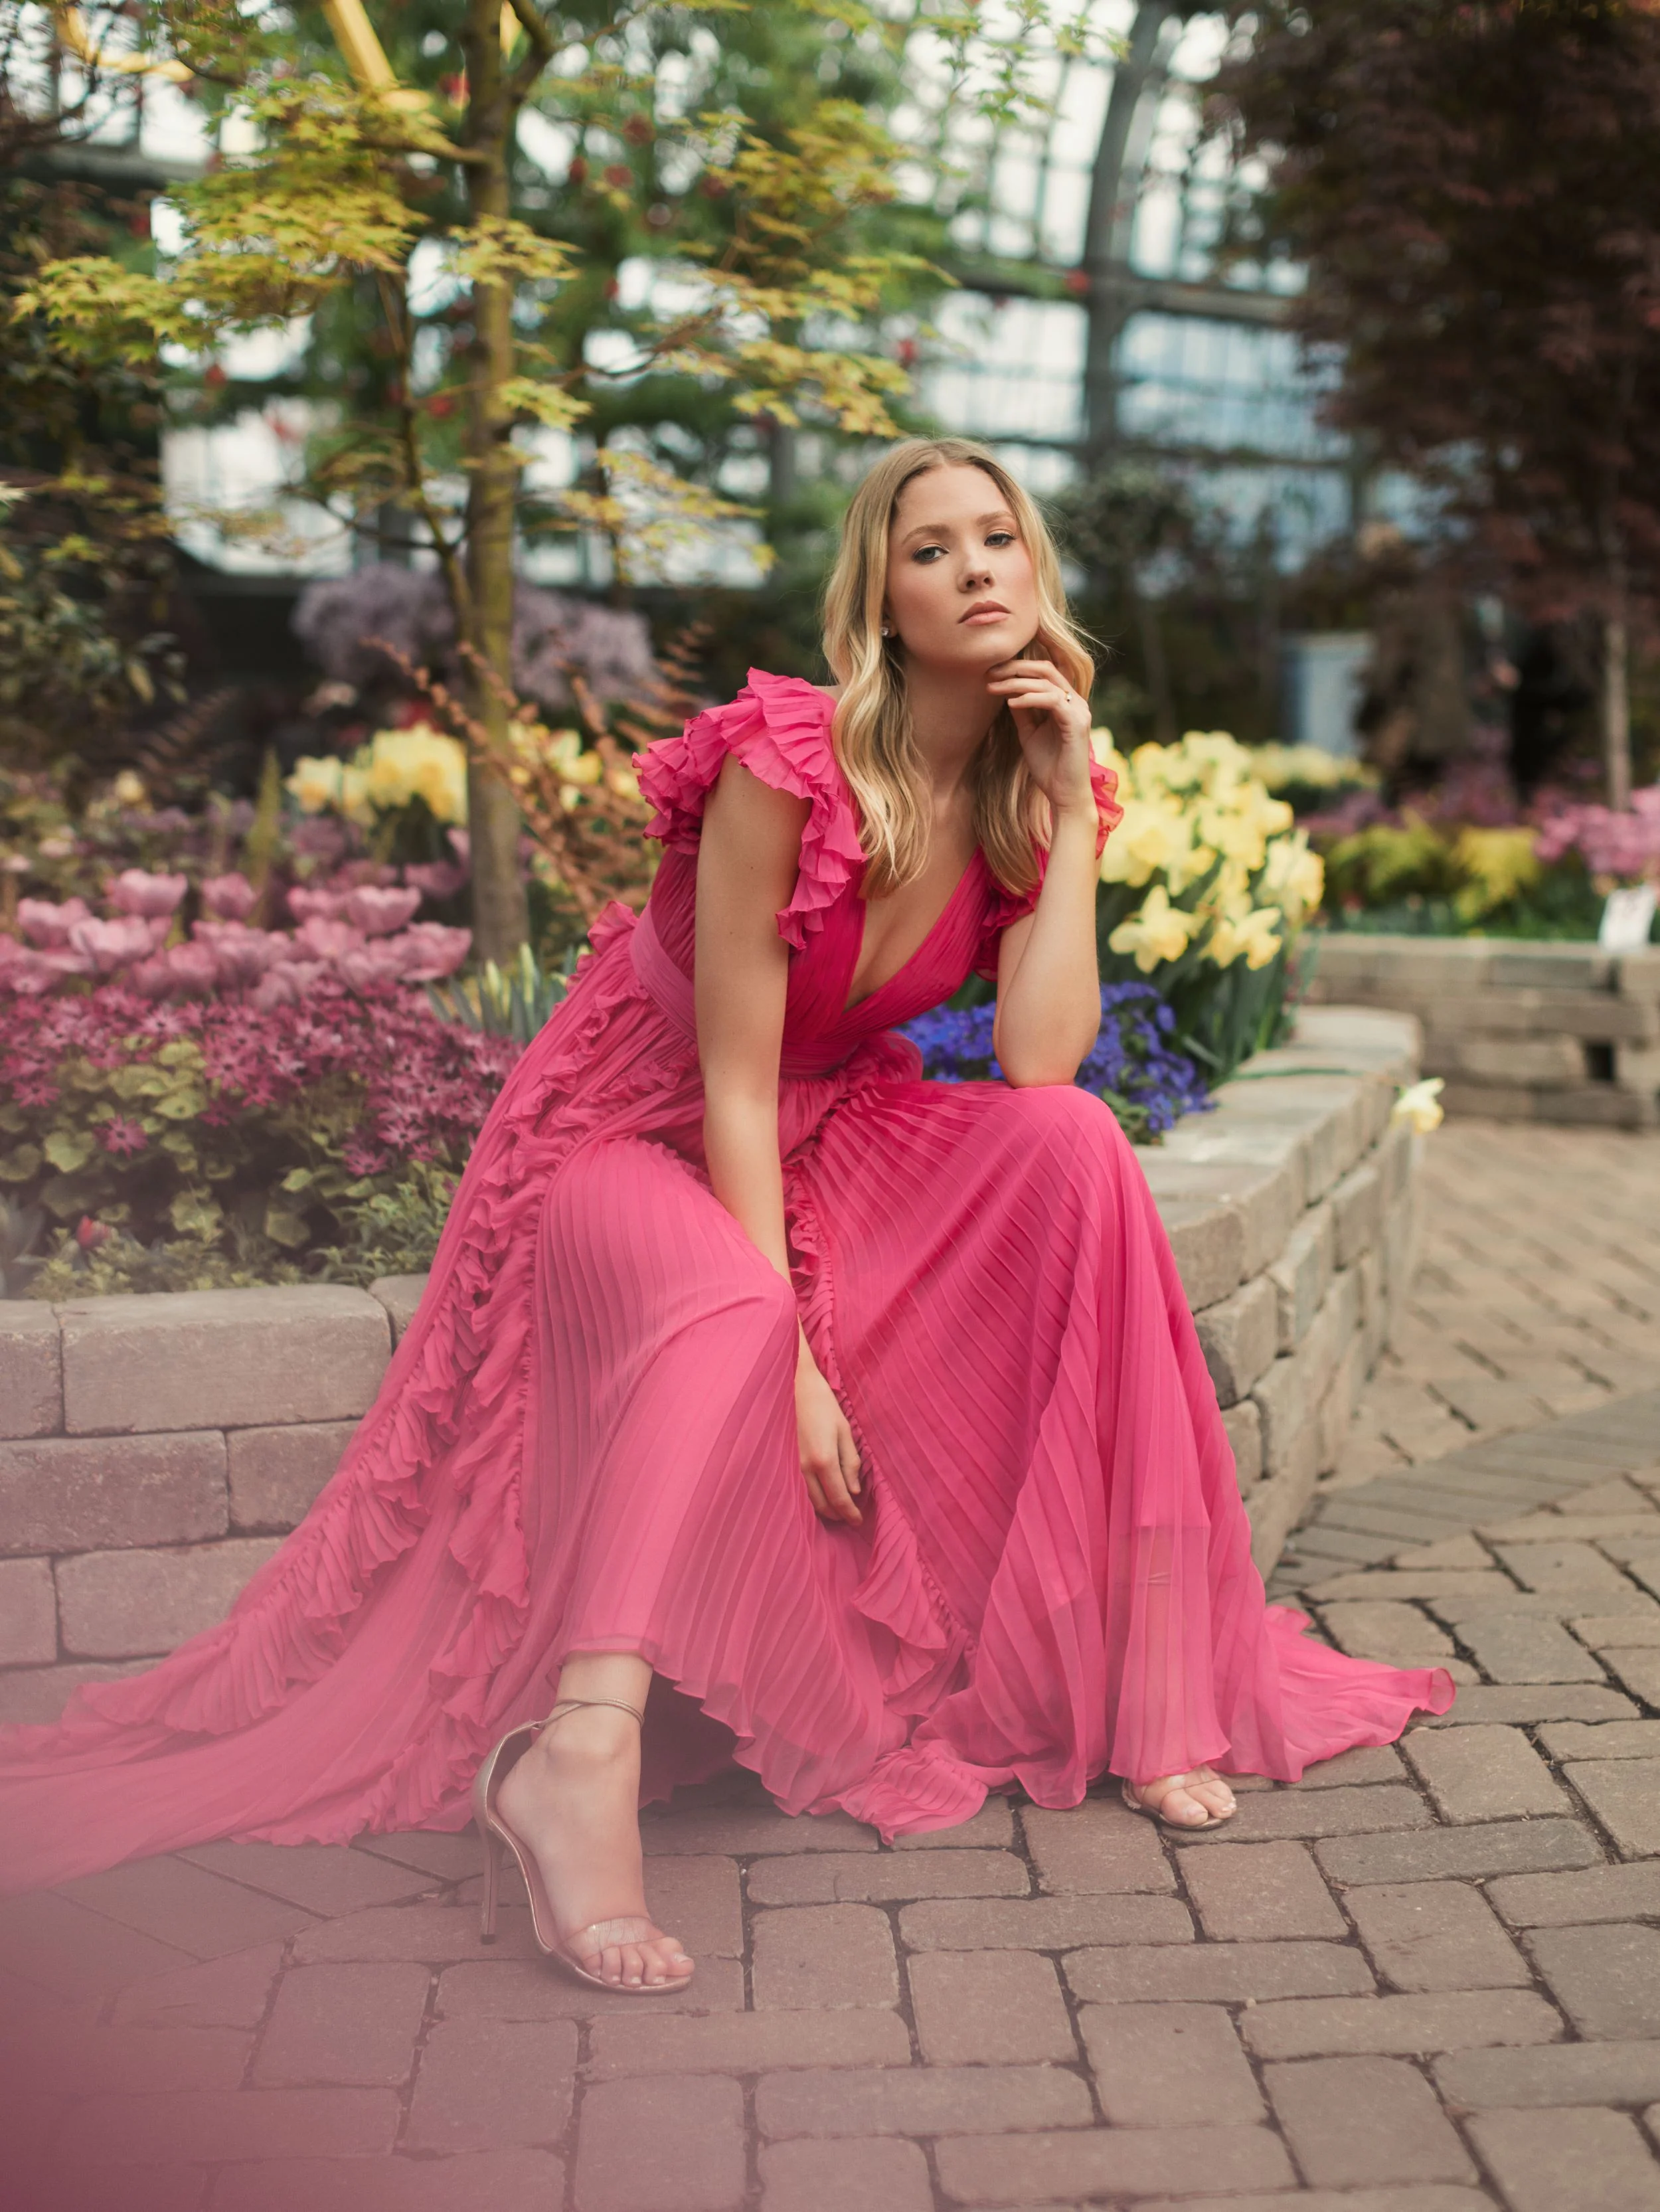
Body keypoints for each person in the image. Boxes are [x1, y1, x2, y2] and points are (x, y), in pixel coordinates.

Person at [0, 438, 1452, 1993]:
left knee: (1078, 1146)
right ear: (879, 601)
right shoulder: (789, 762)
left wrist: (1071, 815)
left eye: (997, 541)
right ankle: (576, 1755)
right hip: (640, 1128)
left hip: (839, 1119)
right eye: (930, 551)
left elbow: (1036, 1063)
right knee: (746, 1315)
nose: (973, 571)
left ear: (1034, 572)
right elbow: (731, 1086)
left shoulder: (1040, 781)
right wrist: (802, 1372)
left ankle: (1145, 1689)